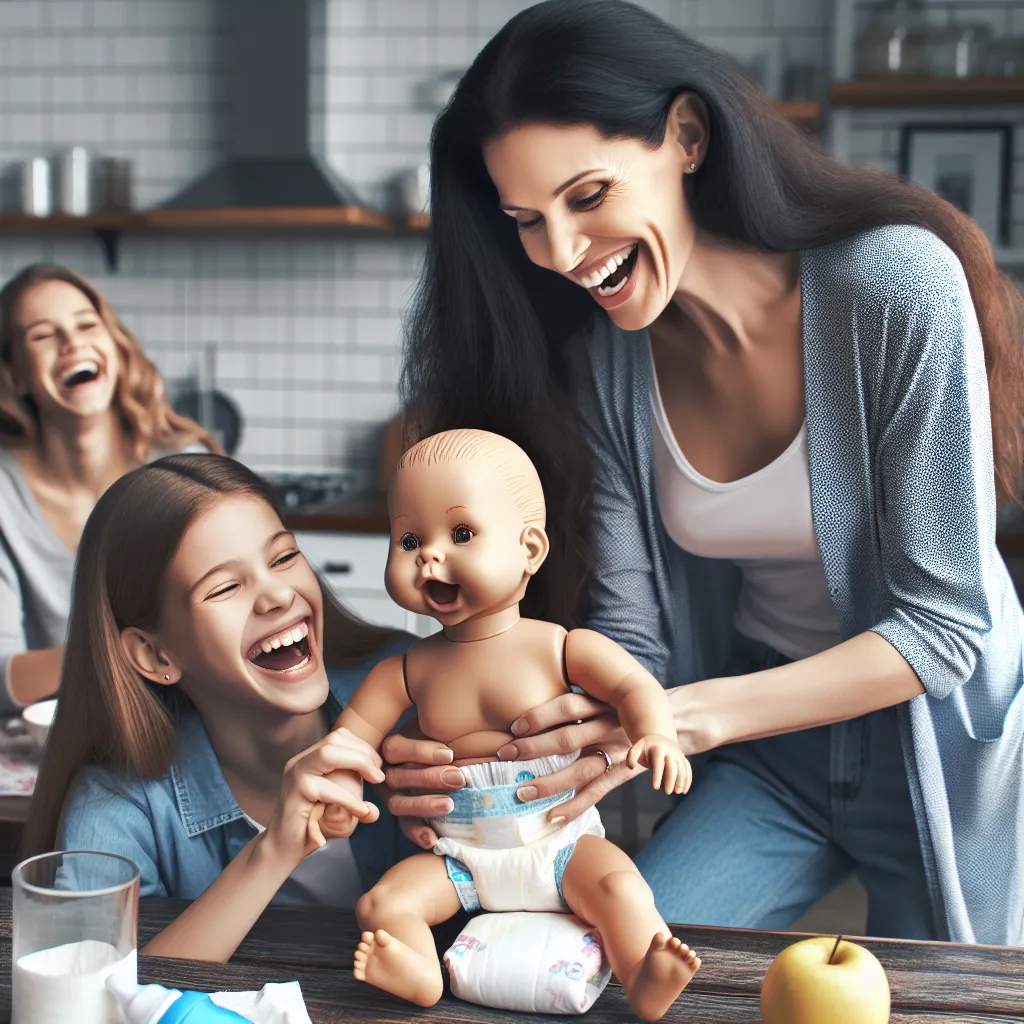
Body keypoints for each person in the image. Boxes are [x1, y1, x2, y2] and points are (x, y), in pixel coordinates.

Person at [378, 0, 1024, 946]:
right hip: (766, 751)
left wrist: (680, 718)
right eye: (526, 220)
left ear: (685, 136)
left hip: (935, 744)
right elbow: (637, 636)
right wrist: (514, 738)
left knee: (950, 1002)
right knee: (611, 962)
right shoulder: (610, 365)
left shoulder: (893, 286)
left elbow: (944, 627)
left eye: (587, 196)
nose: (559, 253)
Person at [324, 428, 697, 1019]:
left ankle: (643, 975)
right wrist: (341, 793)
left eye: (461, 533)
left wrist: (656, 735)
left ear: (530, 549)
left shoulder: (559, 646)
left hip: (560, 843)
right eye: (409, 538)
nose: (429, 555)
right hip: (460, 859)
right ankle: (419, 971)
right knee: (382, 902)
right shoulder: (406, 669)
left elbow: (632, 686)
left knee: (620, 887)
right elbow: (349, 745)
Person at [21, 454, 415, 961]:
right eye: (225, 587)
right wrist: (273, 850)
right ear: (155, 654)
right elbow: (95, 998)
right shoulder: (117, 803)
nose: (276, 594)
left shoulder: (417, 692)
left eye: (283, 558)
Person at [0, 263, 218, 711]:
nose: (73, 342)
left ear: (114, 346)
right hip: (58, 733)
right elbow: (3, 678)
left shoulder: (184, 468)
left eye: (86, 324)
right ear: (15, 375)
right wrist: (120, 654)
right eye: (43, 335)